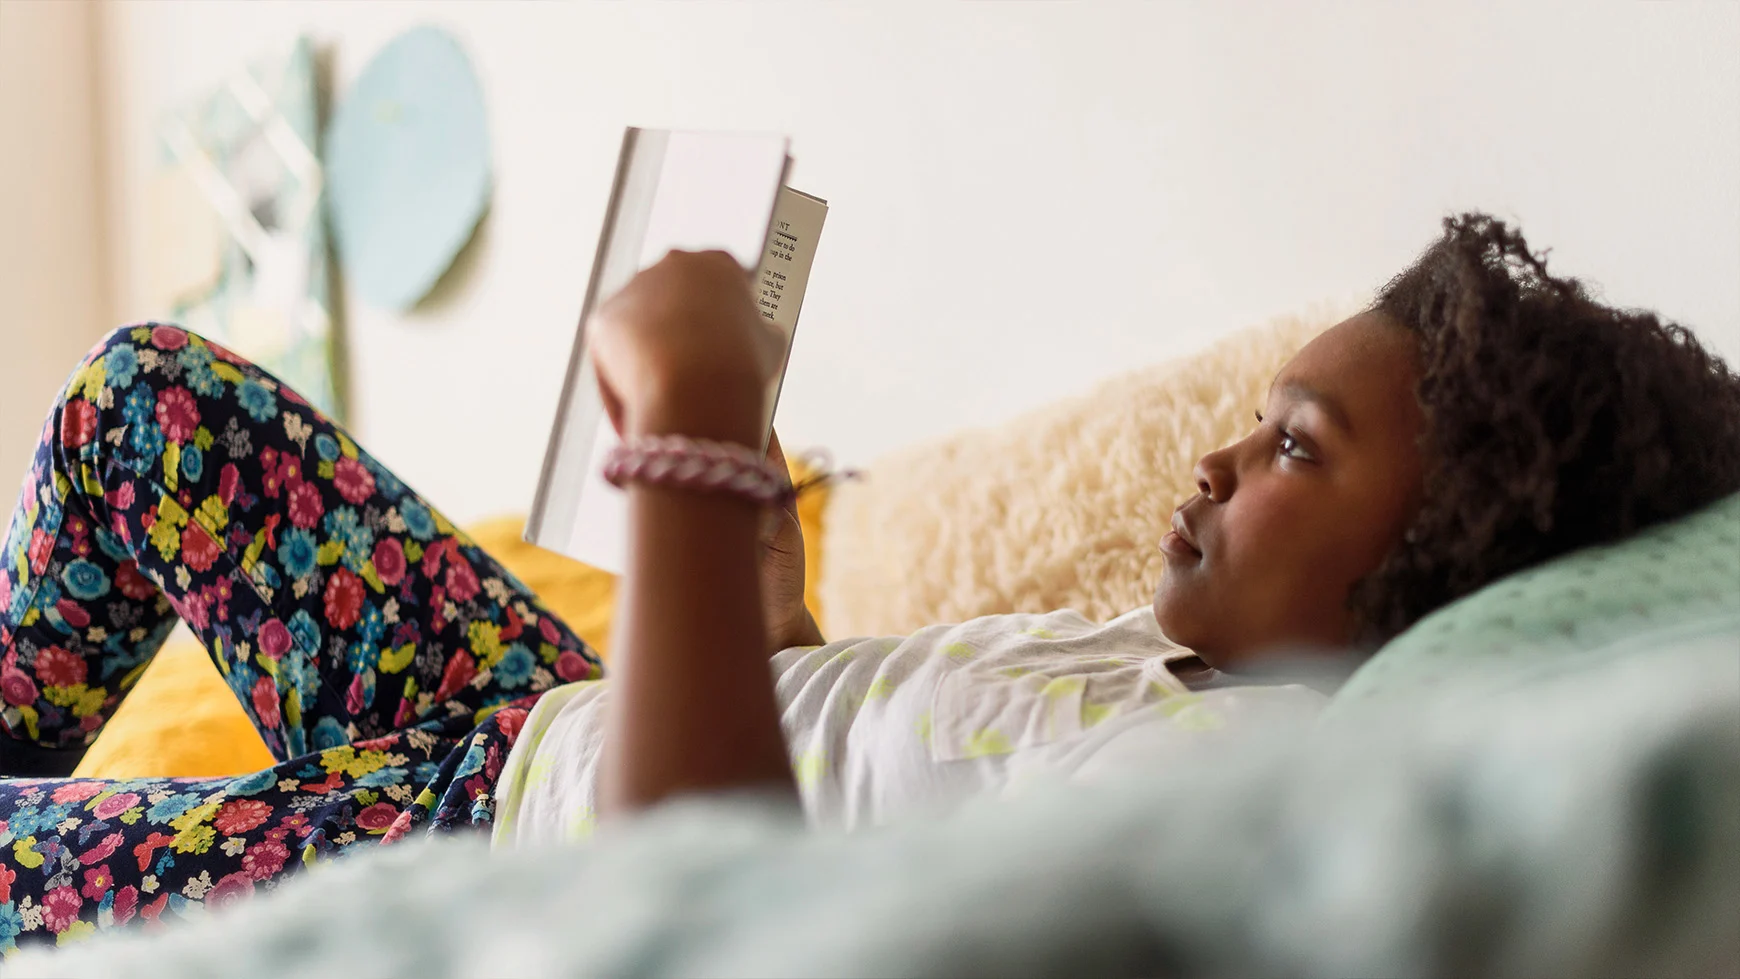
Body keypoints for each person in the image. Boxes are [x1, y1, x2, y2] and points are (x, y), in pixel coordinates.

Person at [1, 213, 1736, 950]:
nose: (1215, 462)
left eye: (1294, 449)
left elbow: (721, 915)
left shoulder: (1202, 793)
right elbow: (855, 772)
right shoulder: (1155, 661)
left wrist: (688, 440)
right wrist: (776, 604)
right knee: (145, 407)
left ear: (1437, 560)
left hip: (499, 856)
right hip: (524, 722)